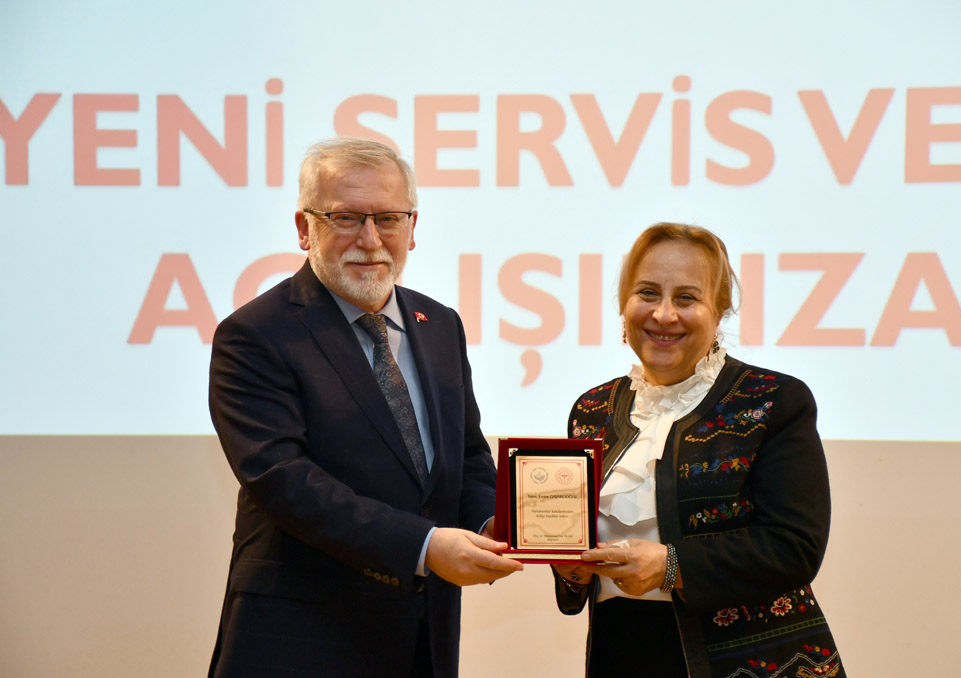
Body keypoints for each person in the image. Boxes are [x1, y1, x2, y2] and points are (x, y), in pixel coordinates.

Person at [207, 137, 522, 678]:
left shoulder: (440, 325)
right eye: (346, 218)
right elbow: (285, 481)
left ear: (412, 227)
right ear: (304, 227)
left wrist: (495, 521)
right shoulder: (255, 335)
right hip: (299, 641)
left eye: (388, 218)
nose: (370, 239)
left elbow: (467, 457)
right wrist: (425, 546)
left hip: (422, 639)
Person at [552, 223, 845, 678]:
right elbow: (575, 554)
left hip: (747, 664)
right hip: (621, 653)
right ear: (624, 304)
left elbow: (794, 547)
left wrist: (670, 566)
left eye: (686, 298)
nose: (664, 314)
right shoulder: (591, 410)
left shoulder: (773, 400)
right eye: (647, 293)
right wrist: (572, 569)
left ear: (719, 310)